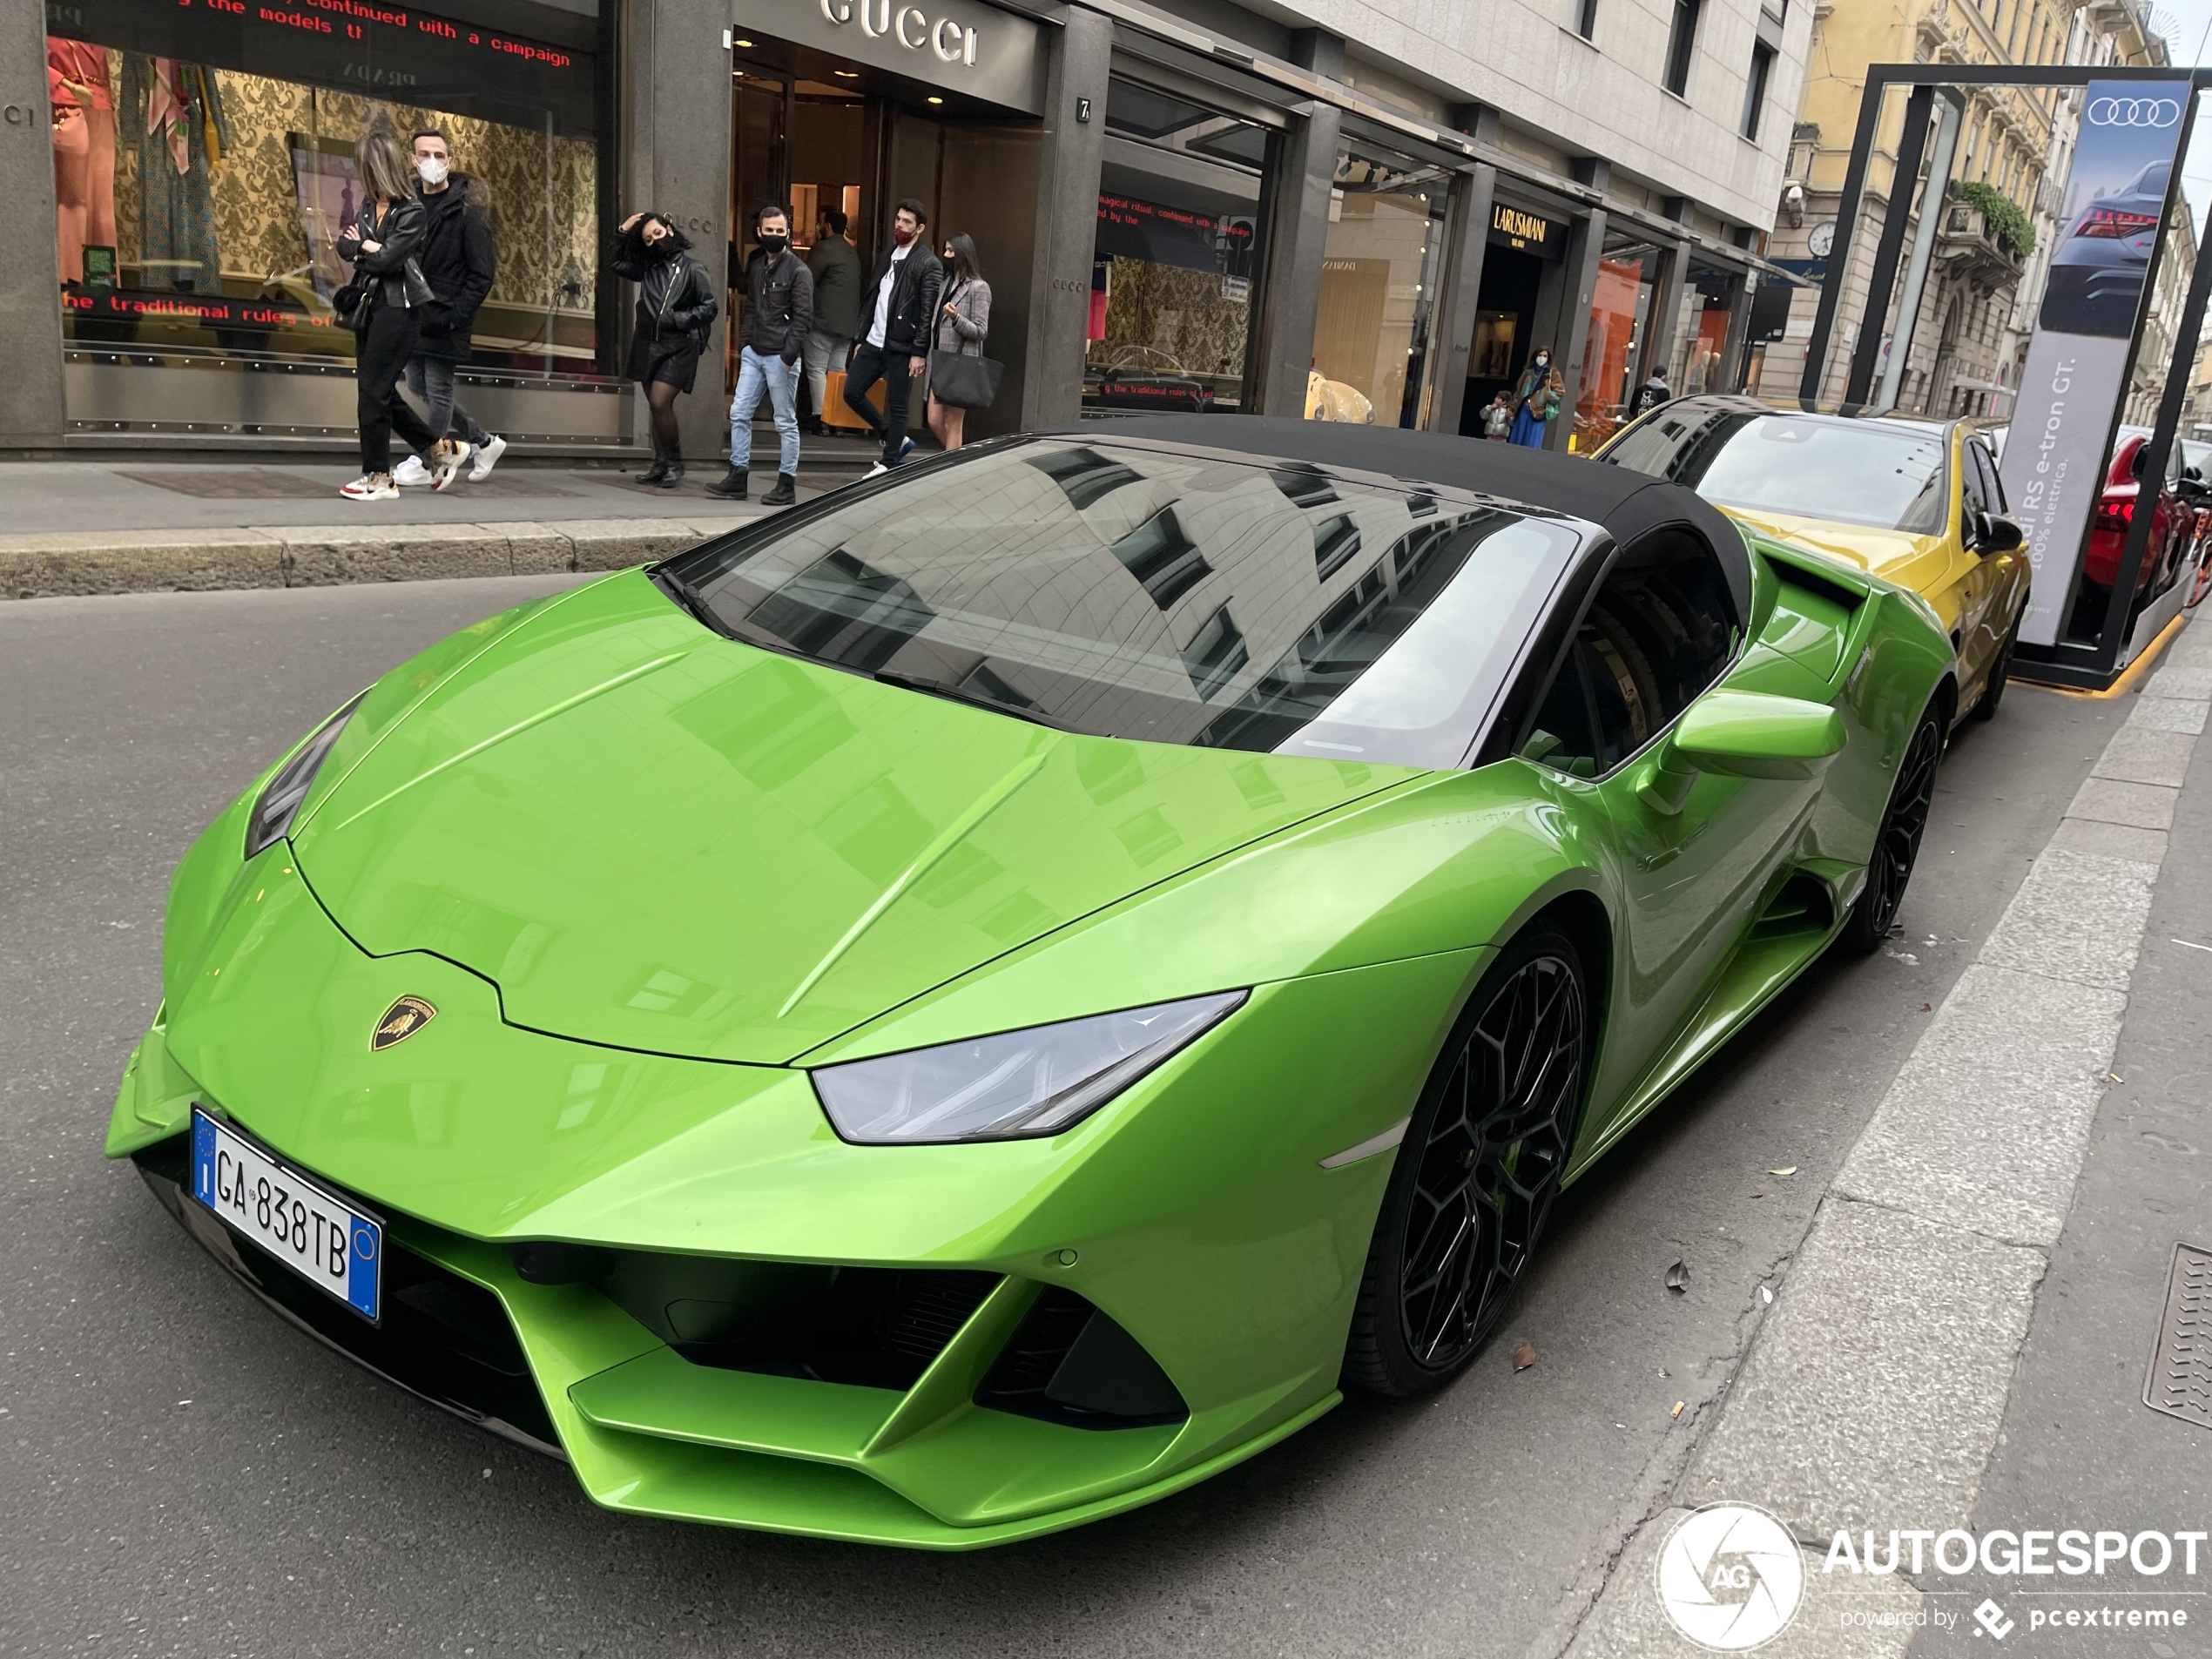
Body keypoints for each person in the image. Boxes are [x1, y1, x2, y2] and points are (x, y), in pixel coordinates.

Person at [335, 131, 448, 502]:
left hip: (399, 309)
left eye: (366, 167)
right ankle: (437, 449)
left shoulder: (412, 210)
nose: (361, 174)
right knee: (376, 390)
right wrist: (366, 246)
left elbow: (386, 259)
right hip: (370, 305)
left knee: (372, 392)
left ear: (379, 168)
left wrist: (365, 245)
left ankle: (379, 477)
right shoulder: (368, 205)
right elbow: (343, 243)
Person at [393, 129, 506, 489]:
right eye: (424, 154)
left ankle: (432, 458)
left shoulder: (466, 215)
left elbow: (482, 273)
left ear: (450, 161)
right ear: (413, 160)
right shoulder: (407, 206)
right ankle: (483, 441)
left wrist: (456, 314)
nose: (432, 162)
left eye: (439, 155)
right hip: (414, 312)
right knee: (415, 383)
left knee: (438, 389)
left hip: (446, 316)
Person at [707, 202, 813, 504]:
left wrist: (787, 357)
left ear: (788, 232)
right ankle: (738, 475)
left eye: (781, 231)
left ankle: (786, 484)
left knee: (785, 421)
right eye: (770, 231)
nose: (776, 235)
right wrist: (745, 344)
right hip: (756, 352)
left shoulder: (799, 271)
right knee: (739, 413)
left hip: (781, 355)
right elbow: (752, 307)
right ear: (759, 232)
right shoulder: (757, 267)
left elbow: (803, 317)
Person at [607, 209, 718, 489]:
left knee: (660, 401)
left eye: (657, 233)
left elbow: (710, 307)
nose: (655, 240)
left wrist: (678, 319)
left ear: (669, 230)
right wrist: (624, 229)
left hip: (679, 345)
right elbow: (613, 262)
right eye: (647, 239)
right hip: (647, 344)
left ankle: (674, 463)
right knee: (657, 408)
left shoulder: (694, 269)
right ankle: (661, 462)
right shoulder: (648, 268)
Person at [844, 199, 942, 475]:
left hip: (903, 345)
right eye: (898, 219)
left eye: (907, 221)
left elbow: (927, 313)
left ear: (919, 228)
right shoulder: (886, 255)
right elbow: (872, 298)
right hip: (874, 341)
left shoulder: (928, 264)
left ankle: (888, 463)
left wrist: (919, 351)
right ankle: (893, 436)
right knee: (851, 392)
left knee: (898, 404)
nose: (900, 225)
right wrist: (861, 337)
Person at [925, 233, 991, 453]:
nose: (946, 255)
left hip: (961, 363)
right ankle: (958, 459)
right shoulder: (945, 284)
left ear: (963, 253)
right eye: (945, 250)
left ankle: (951, 463)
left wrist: (956, 318)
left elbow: (981, 330)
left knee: (953, 422)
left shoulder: (979, 287)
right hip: (939, 360)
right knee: (934, 419)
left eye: (951, 251)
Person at [801, 208, 862, 436]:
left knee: (816, 370)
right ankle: (836, 419)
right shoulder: (851, 252)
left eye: (820, 223)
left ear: (826, 226)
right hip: (847, 326)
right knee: (837, 371)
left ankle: (820, 418)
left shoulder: (823, 249)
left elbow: (806, 278)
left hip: (823, 322)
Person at [1509, 347, 1563, 448]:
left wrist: (1546, 396)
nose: (1542, 358)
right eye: (1540, 355)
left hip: (1538, 411)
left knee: (1533, 442)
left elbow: (1559, 392)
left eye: (1545, 356)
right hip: (1523, 409)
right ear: (1535, 356)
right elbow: (1518, 391)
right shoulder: (1528, 372)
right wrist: (1512, 406)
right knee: (1517, 440)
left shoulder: (1552, 373)